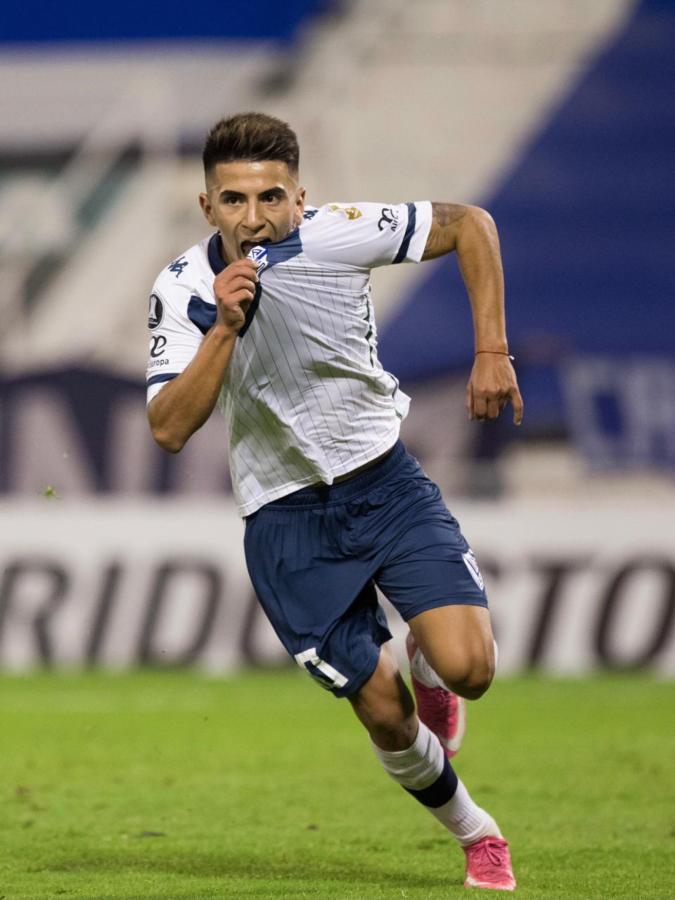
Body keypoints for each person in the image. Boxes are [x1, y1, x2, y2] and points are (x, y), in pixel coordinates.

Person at [146, 112, 523, 891]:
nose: (255, 218)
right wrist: (223, 328)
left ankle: (425, 664)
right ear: (207, 207)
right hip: (287, 522)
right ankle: (477, 833)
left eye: (271, 197)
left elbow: (470, 225)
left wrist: (490, 350)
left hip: (383, 482)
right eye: (234, 201)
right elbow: (169, 429)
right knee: (384, 716)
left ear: (300, 197)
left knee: (471, 670)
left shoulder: (339, 233)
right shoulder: (182, 290)